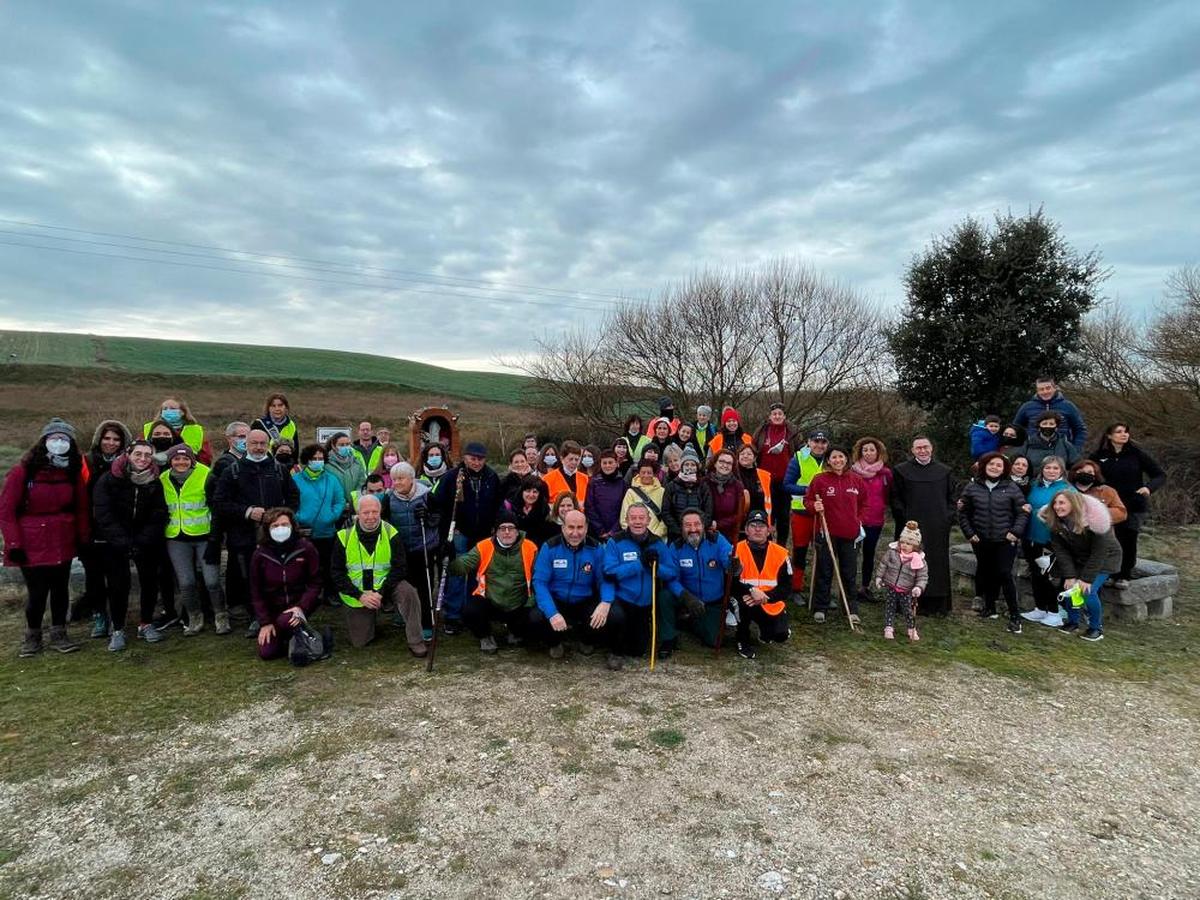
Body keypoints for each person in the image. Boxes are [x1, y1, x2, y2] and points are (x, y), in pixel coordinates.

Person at [2, 419, 91, 656]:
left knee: (61, 588)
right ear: (44, 441)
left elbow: (81, 508)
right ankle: (32, 636)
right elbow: (7, 511)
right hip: (32, 540)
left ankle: (59, 633)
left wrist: (83, 538)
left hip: (62, 537)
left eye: (64, 440)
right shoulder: (23, 471)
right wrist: (13, 544)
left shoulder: (72, 471)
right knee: (37, 591)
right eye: (54, 439)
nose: (59, 443)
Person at [214, 428, 300, 637]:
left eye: (263, 443)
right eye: (254, 443)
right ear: (247, 444)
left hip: (275, 536)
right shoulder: (232, 471)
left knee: (275, 576)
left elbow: (294, 498)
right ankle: (256, 617)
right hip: (243, 537)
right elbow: (220, 502)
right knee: (249, 578)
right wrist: (247, 512)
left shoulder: (279, 470)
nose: (259, 447)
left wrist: (281, 516)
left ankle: (278, 614)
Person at [93, 438, 169, 649]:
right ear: (128, 454)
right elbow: (103, 512)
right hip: (114, 541)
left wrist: (144, 538)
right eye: (138, 454)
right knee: (118, 584)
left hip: (146, 540)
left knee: (149, 581)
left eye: (147, 455)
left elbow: (159, 512)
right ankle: (117, 629)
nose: (143, 459)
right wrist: (121, 540)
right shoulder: (109, 479)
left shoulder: (155, 480)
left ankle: (146, 623)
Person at [332, 495, 427, 656]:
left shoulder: (391, 533)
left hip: (386, 588)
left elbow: (400, 568)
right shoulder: (343, 537)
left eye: (374, 512)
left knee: (409, 592)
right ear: (357, 514)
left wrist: (380, 593)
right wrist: (360, 596)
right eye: (366, 512)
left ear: (381, 512)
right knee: (360, 642)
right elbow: (336, 573)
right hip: (357, 594)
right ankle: (370, 619)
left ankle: (416, 641)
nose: (370, 517)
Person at [161, 443, 228, 635]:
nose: (181, 462)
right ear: (170, 461)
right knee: (186, 582)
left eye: (185, 458)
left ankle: (221, 616)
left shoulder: (206, 476)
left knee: (212, 581)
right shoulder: (163, 479)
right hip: (176, 537)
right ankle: (194, 617)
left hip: (205, 536)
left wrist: (217, 537)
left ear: (192, 460)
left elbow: (217, 508)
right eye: (176, 459)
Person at [530, 510, 616, 659]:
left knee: (612, 615)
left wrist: (606, 602)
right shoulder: (549, 547)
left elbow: (605, 579)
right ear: (563, 528)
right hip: (557, 599)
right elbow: (539, 582)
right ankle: (554, 643)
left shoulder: (596, 548)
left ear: (586, 528)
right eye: (570, 527)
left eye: (579, 527)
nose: (575, 533)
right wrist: (552, 613)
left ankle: (586, 640)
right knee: (535, 617)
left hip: (584, 599)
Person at [957, 452, 1028, 632]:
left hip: (1005, 540)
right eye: (991, 464)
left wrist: (1015, 531)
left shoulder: (1011, 487)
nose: (994, 467)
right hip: (981, 539)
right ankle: (990, 608)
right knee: (987, 571)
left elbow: (1023, 512)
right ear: (984, 466)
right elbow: (963, 512)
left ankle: (1015, 616)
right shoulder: (972, 487)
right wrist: (969, 532)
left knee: (1004, 574)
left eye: (999, 465)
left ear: (1004, 469)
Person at [1089, 423, 1167, 587]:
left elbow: (1159, 475)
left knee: (1129, 539)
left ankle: (1124, 575)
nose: (1124, 434)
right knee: (1110, 539)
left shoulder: (1136, 454)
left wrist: (1148, 487)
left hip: (1133, 504)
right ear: (1109, 435)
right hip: (1108, 506)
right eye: (1119, 432)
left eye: (1126, 432)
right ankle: (1109, 573)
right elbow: (1088, 474)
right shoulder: (1099, 456)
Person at [450, 508, 537, 653]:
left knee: (535, 616)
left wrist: (531, 601)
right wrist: (450, 556)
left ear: (517, 531)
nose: (507, 532)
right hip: (491, 600)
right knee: (470, 611)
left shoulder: (530, 547)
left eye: (511, 528)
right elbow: (460, 567)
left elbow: (538, 578)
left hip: (519, 603)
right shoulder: (484, 546)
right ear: (495, 531)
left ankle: (515, 632)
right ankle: (485, 636)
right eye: (502, 528)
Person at [75, 419, 132, 638]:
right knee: (94, 578)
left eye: (116, 439)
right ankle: (99, 615)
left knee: (120, 579)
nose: (111, 442)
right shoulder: (86, 462)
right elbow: (79, 498)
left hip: (119, 530)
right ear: (99, 439)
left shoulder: (128, 463)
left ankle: (119, 619)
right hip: (91, 530)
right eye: (107, 438)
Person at [1040, 491, 1121, 641]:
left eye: (1062, 503)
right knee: (1071, 589)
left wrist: (1086, 579)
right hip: (1080, 559)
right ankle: (1073, 622)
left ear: (1073, 504)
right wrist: (1070, 576)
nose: (1057, 507)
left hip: (1106, 559)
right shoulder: (1056, 523)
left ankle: (1096, 628)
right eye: (1055, 503)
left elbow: (1099, 553)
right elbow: (1061, 552)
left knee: (1087, 591)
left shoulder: (1096, 522)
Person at [890, 437, 956, 616]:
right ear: (912, 450)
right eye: (918, 448)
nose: (922, 451)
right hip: (910, 527)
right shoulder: (901, 470)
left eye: (925, 447)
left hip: (937, 526)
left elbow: (952, 499)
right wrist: (904, 519)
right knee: (907, 562)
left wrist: (946, 518)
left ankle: (935, 605)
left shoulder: (944, 471)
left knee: (935, 563)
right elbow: (895, 498)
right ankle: (904, 602)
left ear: (932, 448)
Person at [444, 442, 503, 634]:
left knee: (478, 575)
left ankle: (471, 613)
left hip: (483, 535)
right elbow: (440, 503)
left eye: (480, 459)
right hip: (461, 532)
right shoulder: (453, 476)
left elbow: (497, 504)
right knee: (457, 573)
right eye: (473, 458)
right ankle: (452, 615)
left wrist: (495, 527)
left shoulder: (491, 477)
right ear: (465, 457)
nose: (477, 462)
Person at [602, 503, 669, 670]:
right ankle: (614, 651)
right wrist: (638, 564)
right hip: (623, 599)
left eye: (641, 518)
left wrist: (657, 566)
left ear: (648, 520)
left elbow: (672, 572)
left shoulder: (658, 543)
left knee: (637, 650)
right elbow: (610, 572)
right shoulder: (615, 541)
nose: (637, 522)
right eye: (633, 518)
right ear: (626, 520)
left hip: (645, 603)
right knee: (616, 619)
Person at [250, 508, 322, 661]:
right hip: (273, 611)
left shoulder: (306, 548)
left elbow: (315, 582)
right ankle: (291, 635)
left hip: (299, 606)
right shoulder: (260, 554)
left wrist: (302, 607)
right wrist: (265, 622)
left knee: (286, 620)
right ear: (267, 529)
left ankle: (302, 633)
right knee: (267, 653)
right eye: (275, 526)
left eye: (284, 524)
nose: (280, 529)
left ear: (292, 526)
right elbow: (256, 592)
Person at [805, 447, 866, 625]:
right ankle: (820, 607)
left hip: (850, 534)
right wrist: (813, 506)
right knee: (824, 571)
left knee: (849, 572)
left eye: (841, 456)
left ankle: (850, 608)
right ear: (829, 461)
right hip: (826, 532)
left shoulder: (856, 480)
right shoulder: (820, 479)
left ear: (846, 459)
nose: (838, 460)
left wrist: (858, 520)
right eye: (834, 457)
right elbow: (807, 500)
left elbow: (865, 503)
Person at [381, 462, 441, 637]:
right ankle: (404, 615)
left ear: (411, 479)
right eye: (394, 479)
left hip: (423, 547)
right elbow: (385, 521)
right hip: (401, 549)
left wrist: (427, 515)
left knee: (424, 586)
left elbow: (437, 518)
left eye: (401, 479)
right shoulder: (389, 497)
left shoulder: (426, 496)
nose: (397, 483)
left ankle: (426, 622)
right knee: (404, 585)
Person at [662, 509, 734, 649]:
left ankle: (689, 620)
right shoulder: (675, 547)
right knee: (664, 596)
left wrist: (734, 564)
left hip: (713, 602)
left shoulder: (717, 540)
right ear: (681, 527)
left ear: (703, 525)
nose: (693, 529)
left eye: (697, 524)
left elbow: (729, 561)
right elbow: (671, 578)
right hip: (687, 599)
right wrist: (686, 597)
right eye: (688, 525)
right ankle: (668, 638)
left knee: (714, 641)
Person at [1020, 456, 1073, 628]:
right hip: (1030, 537)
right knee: (1036, 574)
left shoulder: (1067, 489)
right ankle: (1040, 608)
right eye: (1048, 468)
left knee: (1049, 576)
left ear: (1062, 471)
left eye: (1055, 468)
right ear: (1042, 469)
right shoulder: (1035, 486)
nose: (1051, 471)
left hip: (1052, 541)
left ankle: (1054, 612)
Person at [731, 509, 791, 659]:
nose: (757, 529)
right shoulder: (735, 550)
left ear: (769, 530)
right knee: (743, 605)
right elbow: (730, 581)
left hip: (769, 600)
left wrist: (766, 597)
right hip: (745, 597)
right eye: (753, 525)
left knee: (780, 635)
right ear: (746, 530)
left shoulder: (782, 554)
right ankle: (742, 639)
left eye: (762, 525)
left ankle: (765, 632)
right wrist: (751, 591)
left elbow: (786, 587)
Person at [292, 443, 346, 604]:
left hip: (327, 531)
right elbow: (290, 502)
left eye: (320, 458)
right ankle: (309, 595)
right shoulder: (296, 480)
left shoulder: (332, 479)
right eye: (314, 458)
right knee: (305, 565)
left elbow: (339, 500)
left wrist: (332, 515)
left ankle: (330, 593)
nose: (317, 461)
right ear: (307, 460)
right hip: (304, 531)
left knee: (329, 564)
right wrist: (300, 517)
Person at [782, 430, 829, 596]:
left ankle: (821, 589)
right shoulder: (799, 458)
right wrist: (808, 490)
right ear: (809, 442)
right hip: (801, 511)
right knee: (800, 551)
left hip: (824, 513)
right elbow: (787, 485)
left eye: (823, 442)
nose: (819, 445)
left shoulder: (831, 459)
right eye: (816, 441)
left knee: (823, 553)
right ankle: (796, 588)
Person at [850, 437, 892, 606]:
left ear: (878, 452)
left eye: (871, 450)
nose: (868, 453)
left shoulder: (885, 474)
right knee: (851, 554)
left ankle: (865, 587)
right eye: (865, 450)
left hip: (875, 519)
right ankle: (849, 587)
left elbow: (888, 494)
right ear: (860, 452)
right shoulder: (852, 473)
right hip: (855, 520)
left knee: (869, 554)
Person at [753, 403, 801, 546]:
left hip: (786, 480)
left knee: (784, 516)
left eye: (780, 414)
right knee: (768, 514)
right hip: (766, 480)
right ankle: (766, 543)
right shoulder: (762, 431)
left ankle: (781, 546)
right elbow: (753, 449)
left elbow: (800, 451)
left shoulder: (792, 432)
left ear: (784, 416)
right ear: (770, 416)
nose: (777, 416)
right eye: (774, 414)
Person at [872, 520, 929, 642]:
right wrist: (879, 577)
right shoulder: (892, 553)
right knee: (890, 607)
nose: (904, 545)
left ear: (915, 545)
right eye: (902, 542)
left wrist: (918, 587)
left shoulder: (919, 559)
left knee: (908, 610)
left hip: (907, 589)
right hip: (892, 585)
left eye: (909, 543)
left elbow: (922, 577)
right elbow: (883, 565)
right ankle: (888, 627)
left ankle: (911, 628)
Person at [1013, 375, 1087, 450]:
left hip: (1062, 452)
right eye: (1041, 389)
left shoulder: (1068, 406)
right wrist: (1022, 449)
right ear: (1037, 391)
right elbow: (1016, 429)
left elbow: (1080, 429)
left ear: (1054, 388)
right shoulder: (1027, 407)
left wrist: (1075, 450)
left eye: (1048, 388)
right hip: (1033, 451)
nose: (1045, 392)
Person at [661, 447, 713, 542]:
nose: (689, 467)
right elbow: (666, 512)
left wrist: (698, 529)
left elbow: (708, 512)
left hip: (699, 534)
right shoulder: (671, 486)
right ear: (682, 466)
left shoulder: (703, 486)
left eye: (693, 464)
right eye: (687, 464)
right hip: (676, 536)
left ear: (697, 467)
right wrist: (679, 530)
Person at [144, 398, 212, 463]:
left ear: (183, 412)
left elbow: (206, 456)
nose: (168, 411)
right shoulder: (149, 428)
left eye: (172, 408)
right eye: (165, 409)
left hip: (185, 467)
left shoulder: (195, 430)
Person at [707, 449, 748, 543]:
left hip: (727, 534)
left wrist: (718, 524)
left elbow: (739, 514)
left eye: (729, 463)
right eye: (721, 461)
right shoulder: (704, 483)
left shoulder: (737, 486)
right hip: (704, 531)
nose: (725, 465)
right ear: (715, 463)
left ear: (733, 466)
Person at [1068, 460, 1127, 526]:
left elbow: (1121, 513)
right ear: (1074, 473)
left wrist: (1097, 514)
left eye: (1090, 472)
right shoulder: (1066, 491)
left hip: (1101, 532)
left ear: (1095, 474)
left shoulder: (1106, 491)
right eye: (1081, 471)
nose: (1085, 474)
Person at [620, 459, 667, 539]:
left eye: (649, 473)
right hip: (635, 538)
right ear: (639, 473)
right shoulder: (631, 492)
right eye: (643, 472)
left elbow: (666, 516)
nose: (646, 475)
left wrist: (656, 535)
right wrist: (635, 534)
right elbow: (624, 518)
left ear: (654, 474)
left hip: (657, 539)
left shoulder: (662, 491)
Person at [585, 450, 626, 540]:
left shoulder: (623, 484)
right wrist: (601, 530)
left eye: (610, 462)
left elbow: (625, 509)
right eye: (605, 463)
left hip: (617, 532)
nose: (607, 466)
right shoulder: (593, 483)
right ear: (601, 464)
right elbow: (589, 507)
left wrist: (614, 531)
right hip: (596, 533)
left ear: (616, 463)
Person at [325, 432, 366, 515]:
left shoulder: (357, 462)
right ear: (333, 446)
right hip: (333, 508)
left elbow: (361, 484)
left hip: (354, 509)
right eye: (341, 445)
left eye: (347, 444)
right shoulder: (326, 464)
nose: (345, 447)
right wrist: (341, 504)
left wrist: (353, 503)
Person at [507, 475, 554, 544]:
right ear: (522, 491)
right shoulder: (511, 506)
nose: (531, 495)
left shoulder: (544, 509)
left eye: (535, 492)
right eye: (528, 491)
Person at [542, 441, 589, 510]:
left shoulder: (586, 479)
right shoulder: (547, 479)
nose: (574, 462)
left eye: (577, 459)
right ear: (562, 459)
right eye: (570, 459)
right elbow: (542, 504)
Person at [736, 443, 771, 523]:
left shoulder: (764, 475)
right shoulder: (732, 474)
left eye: (749, 454)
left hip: (760, 517)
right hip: (738, 519)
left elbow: (771, 500)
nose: (745, 456)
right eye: (742, 454)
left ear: (755, 458)